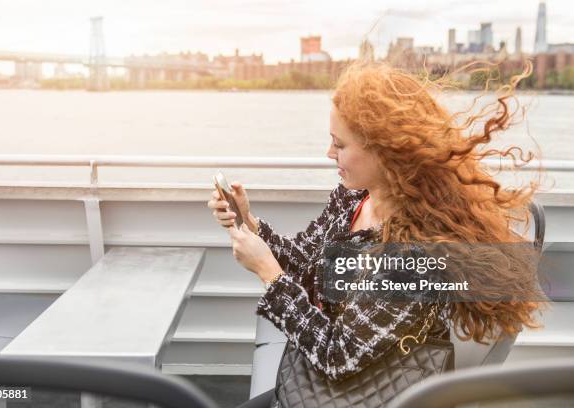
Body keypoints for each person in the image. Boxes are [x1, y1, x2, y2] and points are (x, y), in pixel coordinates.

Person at [207, 59, 546, 408]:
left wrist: (268, 274)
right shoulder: (353, 197)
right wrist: (252, 224)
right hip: (318, 387)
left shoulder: (413, 252)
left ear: (385, 150)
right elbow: (309, 263)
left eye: (340, 145)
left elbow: (338, 356)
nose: (329, 153)